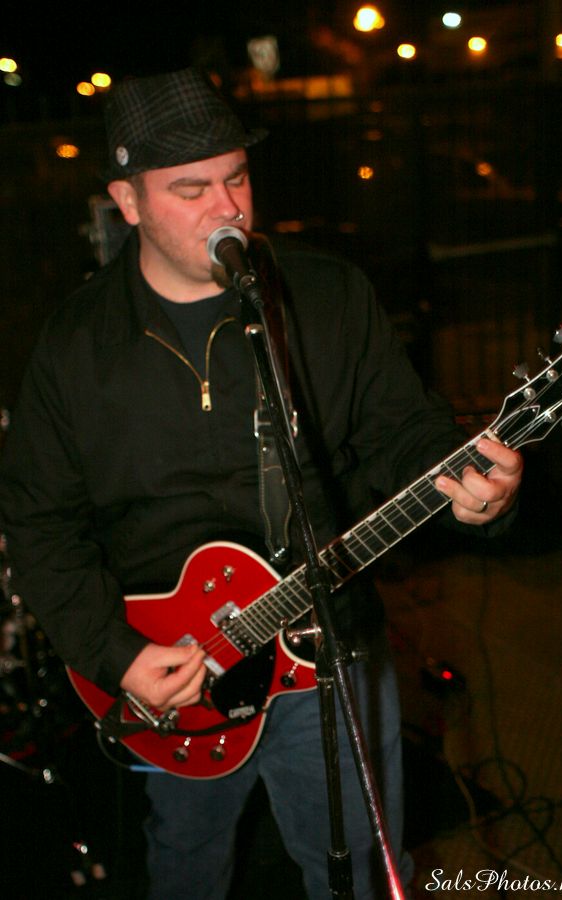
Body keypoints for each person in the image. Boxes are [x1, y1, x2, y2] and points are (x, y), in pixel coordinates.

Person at [0, 67, 522, 899]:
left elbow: (400, 431)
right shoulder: (75, 346)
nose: (228, 209)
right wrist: (117, 655)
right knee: (187, 866)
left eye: (237, 178)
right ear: (127, 201)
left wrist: (471, 485)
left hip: (328, 652)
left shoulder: (325, 296)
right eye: (191, 189)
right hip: (174, 672)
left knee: (359, 873)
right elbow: (38, 526)